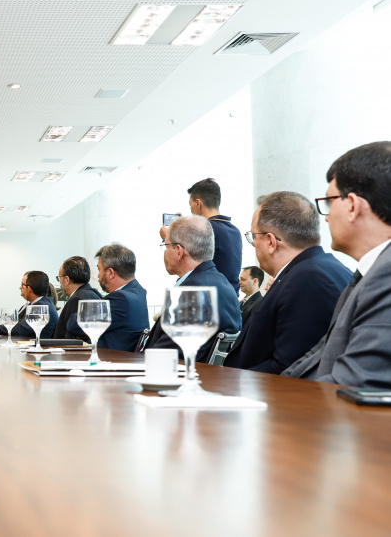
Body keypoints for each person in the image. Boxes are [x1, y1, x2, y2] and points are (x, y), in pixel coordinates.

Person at [283, 142, 391, 387]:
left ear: (352, 205)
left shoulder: (386, 275)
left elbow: (355, 384)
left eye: (330, 202)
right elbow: (316, 357)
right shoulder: (369, 273)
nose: (327, 216)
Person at [225, 192, 352, 374]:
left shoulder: (308, 279)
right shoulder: (320, 268)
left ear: (270, 241)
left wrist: (230, 380)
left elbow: (290, 367)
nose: (253, 244)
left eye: (254, 236)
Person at [144, 215, 241, 362]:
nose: (164, 252)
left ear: (178, 251)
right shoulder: (222, 282)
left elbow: (165, 355)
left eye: (165, 245)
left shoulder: (193, 291)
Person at [161, 179, 242, 295]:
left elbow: (177, 265)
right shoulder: (234, 231)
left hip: (205, 297)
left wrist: (168, 239)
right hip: (230, 295)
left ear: (198, 203)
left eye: (190, 205)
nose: (191, 209)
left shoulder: (208, 230)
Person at [68, 244, 150, 351]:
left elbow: (74, 325)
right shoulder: (139, 292)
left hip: (110, 362)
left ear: (110, 273)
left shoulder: (121, 299)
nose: (98, 275)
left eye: (99, 270)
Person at [0, 271, 58, 338]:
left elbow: (20, 329)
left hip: (39, 346)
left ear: (29, 289)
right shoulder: (42, 303)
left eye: (23, 285)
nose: (20, 287)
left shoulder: (40, 306)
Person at [53, 256, 101, 338]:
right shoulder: (94, 293)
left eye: (59, 278)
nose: (60, 282)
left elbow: (71, 337)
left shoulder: (77, 299)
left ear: (66, 279)